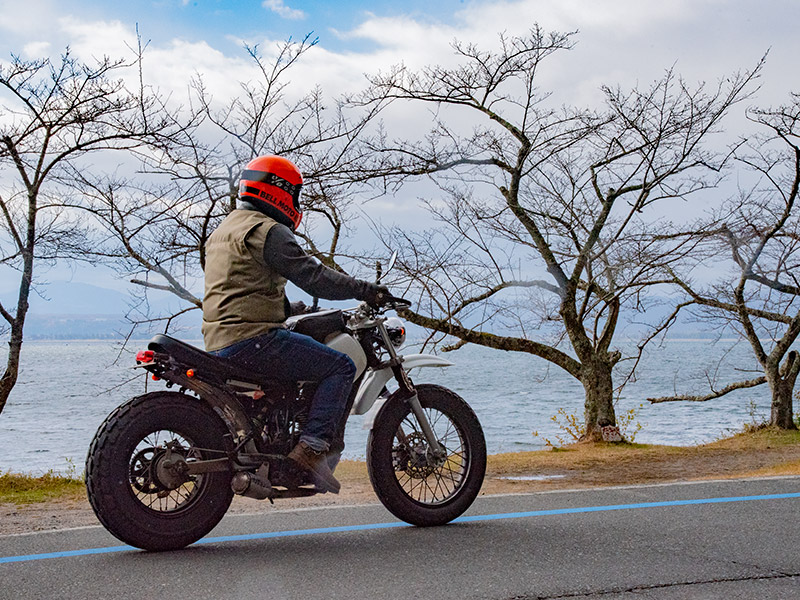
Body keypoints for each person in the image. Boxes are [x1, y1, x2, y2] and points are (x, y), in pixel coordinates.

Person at [202, 155, 388, 494]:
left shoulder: (226, 229)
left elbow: (242, 285)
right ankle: (312, 449)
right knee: (340, 366)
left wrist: (291, 308)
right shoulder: (267, 231)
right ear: (280, 191)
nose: (297, 203)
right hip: (253, 338)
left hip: (220, 338)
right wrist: (365, 290)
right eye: (296, 194)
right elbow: (314, 277)